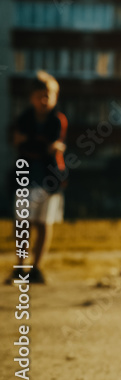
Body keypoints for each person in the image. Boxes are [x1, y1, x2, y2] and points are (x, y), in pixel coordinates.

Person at [7, 70, 68, 285]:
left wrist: (34, 142)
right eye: (40, 95)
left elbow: (44, 145)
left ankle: (36, 267)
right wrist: (42, 145)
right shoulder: (23, 118)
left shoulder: (57, 120)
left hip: (49, 178)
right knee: (23, 222)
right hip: (26, 176)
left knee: (43, 222)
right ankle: (20, 267)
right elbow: (21, 142)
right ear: (32, 97)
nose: (45, 99)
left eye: (49, 95)